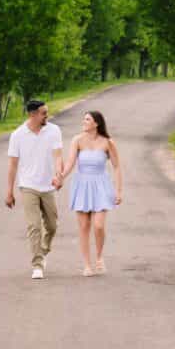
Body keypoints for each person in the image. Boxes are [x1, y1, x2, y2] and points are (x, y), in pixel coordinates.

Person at [5, 99, 64, 280]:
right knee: (34, 226)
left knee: (52, 226)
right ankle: (37, 264)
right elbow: (13, 165)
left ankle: (43, 250)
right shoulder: (18, 135)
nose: (47, 115)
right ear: (32, 114)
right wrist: (9, 191)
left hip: (47, 186)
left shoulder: (53, 130)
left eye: (47, 112)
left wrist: (58, 175)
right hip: (28, 186)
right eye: (43, 113)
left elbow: (58, 156)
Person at [58, 109, 123, 276]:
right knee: (84, 226)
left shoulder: (108, 142)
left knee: (99, 225)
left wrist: (118, 191)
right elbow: (71, 163)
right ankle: (87, 265)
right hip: (82, 185)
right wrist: (61, 177)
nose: (84, 122)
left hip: (101, 185)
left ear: (96, 123)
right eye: (84, 119)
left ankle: (99, 257)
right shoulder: (77, 140)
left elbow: (116, 167)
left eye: (87, 120)